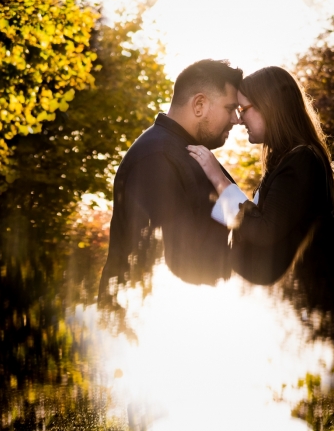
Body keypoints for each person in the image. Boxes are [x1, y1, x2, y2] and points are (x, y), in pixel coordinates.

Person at [98, 59, 243, 304]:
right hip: (154, 324)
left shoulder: (188, 153)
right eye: (230, 108)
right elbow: (167, 264)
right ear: (199, 104)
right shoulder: (158, 158)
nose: (236, 120)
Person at [188, 66, 334, 285]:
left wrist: (219, 180)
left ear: (269, 106)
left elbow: (264, 231)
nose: (240, 119)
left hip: (310, 303)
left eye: (243, 109)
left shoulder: (301, 161)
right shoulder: (287, 159)